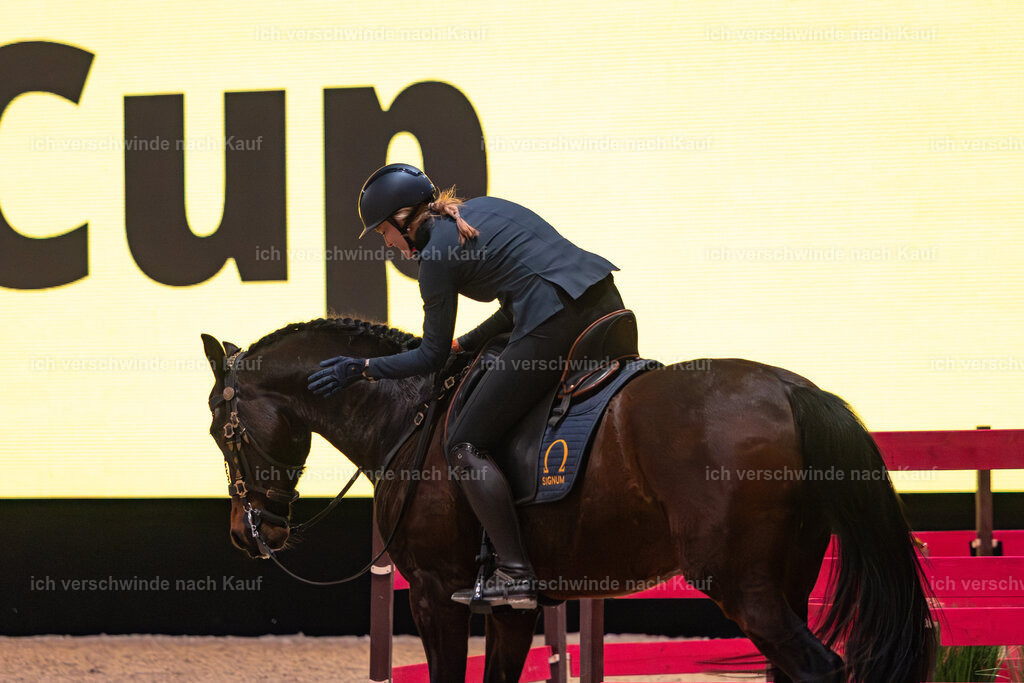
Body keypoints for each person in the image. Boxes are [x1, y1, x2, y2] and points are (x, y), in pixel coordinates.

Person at [307, 163, 624, 610]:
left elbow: (429, 359)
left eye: (383, 235)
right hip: (605, 306)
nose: (388, 246)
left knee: (465, 441)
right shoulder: (482, 210)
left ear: (402, 219)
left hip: (557, 324)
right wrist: (465, 342)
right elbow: (514, 306)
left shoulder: (435, 257)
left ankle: (514, 571)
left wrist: (362, 368)